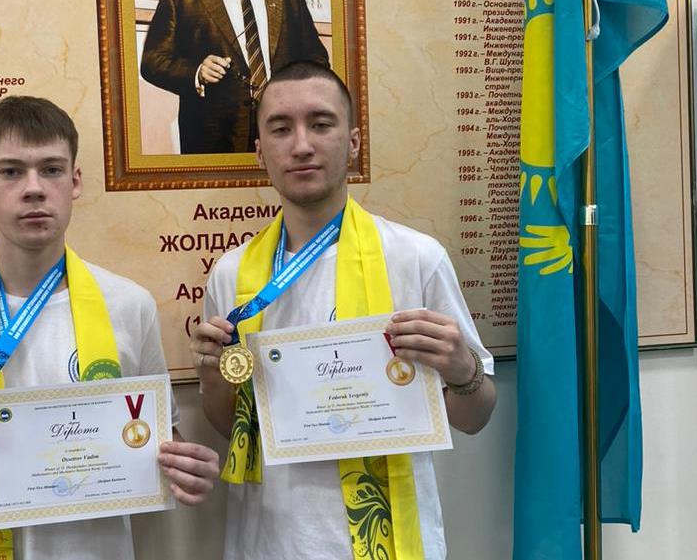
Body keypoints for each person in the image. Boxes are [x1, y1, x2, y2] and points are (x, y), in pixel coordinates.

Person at [0, 96, 220, 560]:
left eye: (51, 169)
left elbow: (154, 440)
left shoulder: (128, 306)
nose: (33, 189)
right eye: (11, 171)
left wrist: (186, 465)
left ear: (75, 182)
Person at [190, 61, 497, 560]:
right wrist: (213, 374)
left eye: (320, 123)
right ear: (260, 151)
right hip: (270, 541)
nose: (302, 145)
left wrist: (463, 370)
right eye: (281, 129)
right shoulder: (232, 274)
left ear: (353, 143)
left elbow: (476, 417)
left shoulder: (415, 258)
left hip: (392, 540)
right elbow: (232, 427)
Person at [141, 0, 329, 154]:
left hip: (282, 134)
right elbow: (153, 60)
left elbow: (316, 57)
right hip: (214, 141)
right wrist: (197, 72)